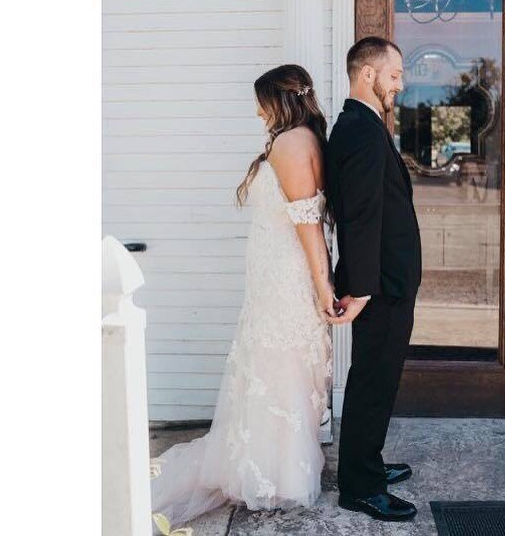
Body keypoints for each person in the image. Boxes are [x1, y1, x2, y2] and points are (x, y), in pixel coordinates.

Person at [150, 64, 336, 528]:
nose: (256, 111)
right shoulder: (301, 137)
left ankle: (277, 474)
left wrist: (322, 287)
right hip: (276, 275)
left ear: (280, 99)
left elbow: (308, 226)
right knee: (279, 366)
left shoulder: (292, 143)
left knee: (279, 366)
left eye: (261, 101)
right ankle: (274, 465)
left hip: (287, 280)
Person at [325, 36, 422, 522]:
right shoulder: (360, 130)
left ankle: (370, 465)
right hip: (379, 285)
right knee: (371, 380)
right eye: (395, 74)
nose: (400, 85)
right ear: (368, 74)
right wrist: (360, 288)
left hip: (385, 281)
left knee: (378, 379)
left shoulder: (362, 124)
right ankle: (360, 486)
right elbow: (361, 215)